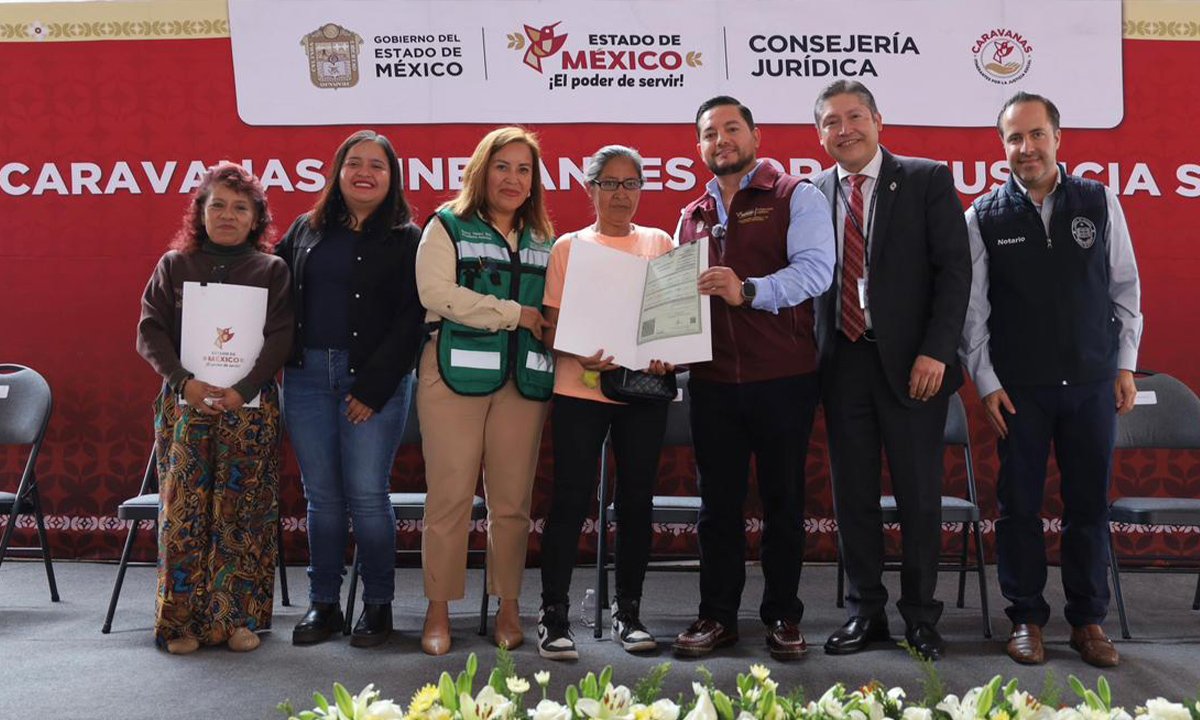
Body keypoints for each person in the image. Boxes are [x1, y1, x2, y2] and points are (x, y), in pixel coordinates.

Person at [959, 92, 1143, 668]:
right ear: (1002, 147)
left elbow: (1126, 290)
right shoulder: (982, 216)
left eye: (1036, 134)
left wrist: (1125, 365)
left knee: (1088, 504)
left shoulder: (1098, 201)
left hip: (1091, 383)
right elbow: (974, 312)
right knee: (1018, 506)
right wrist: (986, 382)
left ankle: (1088, 620)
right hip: (1020, 391)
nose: (1027, 147)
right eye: (1015, 138)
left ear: (1058, 138)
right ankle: (1025, 618)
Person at [811, 80, 972, 661]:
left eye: (855, 116)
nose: (844, 129)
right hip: (842, 362)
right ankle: (864, 613)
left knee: (918, 497)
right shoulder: (812, 191)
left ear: (878, 121)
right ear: (819, 134)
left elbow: (955, 272)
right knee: (852, 495)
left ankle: (922, 619)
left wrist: (937, 350)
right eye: (831, 121)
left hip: (913, 365)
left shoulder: (926, 178)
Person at [672, 96, 835, 661]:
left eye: (732, 128)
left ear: (755, 136)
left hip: (783, 378)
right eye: (709, 133)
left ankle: (784, 616)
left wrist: (748, 290)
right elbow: (677, 303)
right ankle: (716, 616)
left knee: (783, 503)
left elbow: (816, 272)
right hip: (711, 383)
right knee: (716, 507)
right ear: (699, 147)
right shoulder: (690, 215)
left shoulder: (796, 195)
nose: (721, 140)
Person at [135, 161, 293, 655]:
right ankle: (179, 624)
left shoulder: (272, 270)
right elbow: (149, 330)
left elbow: (281, 337)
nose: (227, 214)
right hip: (187, 406)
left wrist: (244, 387)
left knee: (242, 513)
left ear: (256, 218)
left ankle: (237, 622)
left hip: (248, 408)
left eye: (240, 207)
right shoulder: (174, 266)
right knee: (184, 514)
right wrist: (185, 381)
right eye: (217, 204)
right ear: (200, 213)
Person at [277, 130, 424, 648]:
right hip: (307, 378)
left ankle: (377, 604)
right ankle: (324, 605)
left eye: (377, 166)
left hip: (374, 382)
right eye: (354, 163)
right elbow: (269, 291)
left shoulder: (410, 237)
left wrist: (376, 388)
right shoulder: (305, 230)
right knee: (322, 498)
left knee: (366, 495)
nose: (365, 172)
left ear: (393, 177)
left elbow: (415, 319)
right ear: (337, 172)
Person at [415, 126, 556, 655]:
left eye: (524, 169)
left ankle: (510, 606)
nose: (513, 178)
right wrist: (511, 314)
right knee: (449, 499)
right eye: (503, 167)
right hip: (452, 378)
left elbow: (558, 311)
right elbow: (435, 292)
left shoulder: (546, 239)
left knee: (512, 504)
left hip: (524, 383)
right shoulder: (446, 225)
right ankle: (438, 609)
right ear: (482, 170)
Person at [536, 145, 676, 660]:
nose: (621, 194)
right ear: (590, 189)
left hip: (643, 392)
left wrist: (666, 355)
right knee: (571, 500)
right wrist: (584, 351)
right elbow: (550, 327)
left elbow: (673, 318)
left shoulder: (660, 241)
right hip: (580, 387)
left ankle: (629, 613)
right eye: (610, 183)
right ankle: (554, 617)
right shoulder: (569, 247)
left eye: (631, 184)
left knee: (637, 501)